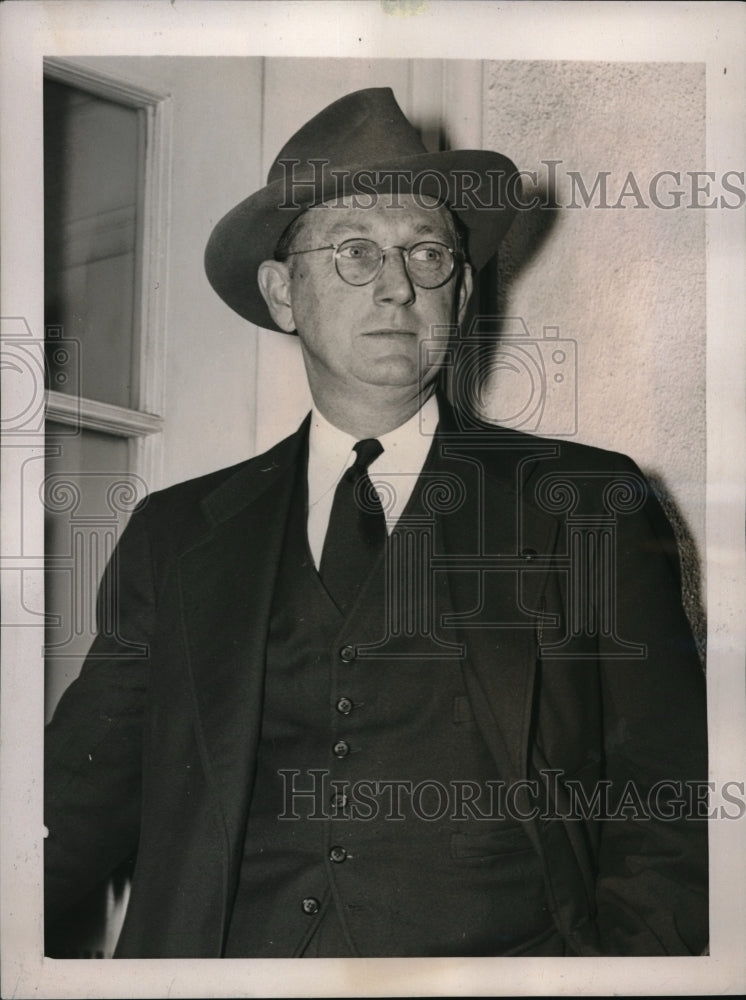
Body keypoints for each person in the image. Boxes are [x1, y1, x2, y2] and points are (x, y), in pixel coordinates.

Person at [44, 87, 708, 958]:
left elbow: (670, 806)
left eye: (428, 253)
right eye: (355, 251)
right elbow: (76, 805)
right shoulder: (175, 534)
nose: (398, 287)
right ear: (283, 292)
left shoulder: (586, 503)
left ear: (459, 290)